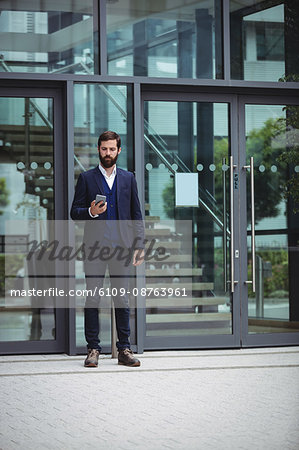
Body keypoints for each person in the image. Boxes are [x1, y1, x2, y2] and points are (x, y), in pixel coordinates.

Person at [70, 130, 145, 367]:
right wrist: (91, 212)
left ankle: (124, 349)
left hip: (122, 248)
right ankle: (93, 349)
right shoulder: (87, 178)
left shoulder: (128, 178)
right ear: (99, 149)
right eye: (104, 149)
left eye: (112, 149)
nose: (108, 153)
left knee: (122, 299)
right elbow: (74, 212)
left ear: (119, 151)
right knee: (92, 298)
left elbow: (136, 214)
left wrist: (139, 244)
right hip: (94, 249)